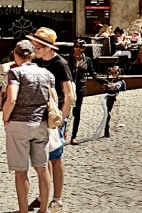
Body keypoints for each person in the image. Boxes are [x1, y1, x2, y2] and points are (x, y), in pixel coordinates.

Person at [3, 40, 56, 213]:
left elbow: (12, 99)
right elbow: (53, 100)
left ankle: (23, 210)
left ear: (15, 55)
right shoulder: (47, 73)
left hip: (19, 124)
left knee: (20, 171)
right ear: (32, 55)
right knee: (42, 168)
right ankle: (43, 209)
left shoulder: (15, 73)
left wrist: (5, 118)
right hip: (40, 123)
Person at [28, 27, 73, 212]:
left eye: (37, 46)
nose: (34, 49)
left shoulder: (59, 64)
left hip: (54, 117)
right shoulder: (38, 63)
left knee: (56, 157)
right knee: (42, 158)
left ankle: (57, 197)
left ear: (47, 47)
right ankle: (43, 195)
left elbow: (69, 95)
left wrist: (61, 118)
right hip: (40, 115)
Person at [69, 39, 108, 145]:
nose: (78, 49)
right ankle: (60, 134)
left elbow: (93, 74)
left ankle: (73, 136)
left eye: (81, 47)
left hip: (80, 88)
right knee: (65, 112)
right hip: (67, 89)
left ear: (84, 49)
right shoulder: (68, 58)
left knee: (77, 112)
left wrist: (105, 82)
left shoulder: (87, 60)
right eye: (76, 46)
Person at [100, 66, 126, 138]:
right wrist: (106, 86)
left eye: (116, 72)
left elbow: (119, 86)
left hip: (115, 99)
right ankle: (106, 129)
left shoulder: (121, 81)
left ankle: (108, 128)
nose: (114, 74)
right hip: (109, 98)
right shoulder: (109, 81)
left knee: (111, 114)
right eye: (112, 73)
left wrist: (113, 86)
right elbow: (105, 89)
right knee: (108, 114)